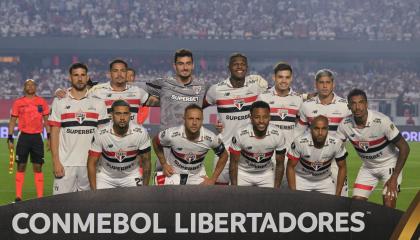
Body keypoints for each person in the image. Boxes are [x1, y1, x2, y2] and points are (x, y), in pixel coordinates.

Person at [337, 89, 410, 208]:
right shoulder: (345, 124)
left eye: (361, 102)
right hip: (368, 168)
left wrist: (394, 177)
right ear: (349, 106)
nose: (357, 107)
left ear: (366, 104)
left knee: (388, 202)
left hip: (389, 166)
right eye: (353, 103)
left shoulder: (382, 121)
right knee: (356, 205)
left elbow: (405, 148)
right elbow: (335, 147)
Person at [204, 53, 268, 184]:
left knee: (244, 194)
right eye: (236, 64)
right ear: (229, 67)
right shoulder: (216, 90)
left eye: (243, 64)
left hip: (248, 151)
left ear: (247, 67)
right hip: (225, 150)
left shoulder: (256, 87)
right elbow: (198, 107)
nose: (239, 67)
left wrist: (307, 96)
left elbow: (278, 96)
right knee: (218, 190)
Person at [49, 63, 108, 195]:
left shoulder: (98, 102)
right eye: (76, 75)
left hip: (91, 165)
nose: (80, 78)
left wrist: (103, 162)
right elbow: (54, 133)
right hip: (65, 164)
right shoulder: (60, 101)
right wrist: (56, 161)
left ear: (87, 78)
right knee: (60, 206)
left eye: (82, 75)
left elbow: (103, 135)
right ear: (70, 78)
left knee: (89, 207)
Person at [294, 69, 351, 196]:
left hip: (336, 161)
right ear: (316, 84)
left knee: (341, 200)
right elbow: (297, 133)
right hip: (310, 160)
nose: (325, 86)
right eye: (321, 82)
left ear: (333, 84)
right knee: (304, 201)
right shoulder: (307, 106)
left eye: (328, 82)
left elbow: (354, 131)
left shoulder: (345, 106)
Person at [152, 104, 228, 185]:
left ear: (202, 120)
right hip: (173, 174)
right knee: (164, 196)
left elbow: (224, 155)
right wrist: (164, 164)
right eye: (191, 118)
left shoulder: (210, 138)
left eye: (198, 119)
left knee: (206, 196)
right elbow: (155, 141)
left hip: (197, 176)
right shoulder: (172, 134)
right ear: (184, 119)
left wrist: (213, 179)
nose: (194, 122)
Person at [87, 100, 151, 189]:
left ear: (130, 115)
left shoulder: (141, 132)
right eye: (118, 113)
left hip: (131, 177)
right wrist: (93, 192)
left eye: (125, 113)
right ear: (111, 116)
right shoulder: (100, 133)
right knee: (98, 202)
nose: (122, 117)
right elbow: (91, 163)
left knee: (138, 201)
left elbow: (146, 161)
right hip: (105, 177)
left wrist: (145, 189)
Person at [257, 62, 303, 186]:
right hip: (267, 155)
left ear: (291, 78)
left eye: (287, 77)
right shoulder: (263, 97)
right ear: (274, 77)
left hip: (290, 156)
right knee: (266, 196)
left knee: (289, 197)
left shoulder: (298, 99)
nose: (284, 81)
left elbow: (303, 125)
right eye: (280, 77)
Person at [8, 79, 50, 202]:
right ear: (24, 87)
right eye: (28, 85)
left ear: (36, 87)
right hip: (23, 137)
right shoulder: (18, 102)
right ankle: (18, 196)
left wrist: (49, 136)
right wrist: (10, 138)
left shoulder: (41, 102)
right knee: (21, 165)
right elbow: (12, 121)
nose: (30, 87)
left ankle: (40, 197)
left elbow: (46, 121)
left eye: (32, 85)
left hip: (37, 137)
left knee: (38, 166)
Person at [229, 101, 286, 188]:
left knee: (272, 200)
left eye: (265, 117)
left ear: (269, 117)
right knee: (237, 200)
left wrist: (276, 188)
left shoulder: (278, 134)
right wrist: (234, 188)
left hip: (266, 174)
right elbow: (233, 163)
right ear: (251, 118)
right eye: (257, 117)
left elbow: (280, 164)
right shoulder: (240, 133)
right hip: (243, 173)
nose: (261, 121)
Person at [287, 115, 347, 196]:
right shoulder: (299, 142)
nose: (320, 133)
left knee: (334, 205)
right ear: (311, 129)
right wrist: (293, 192)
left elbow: (342, 167)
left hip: (325, 180)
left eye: (324, 129)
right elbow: (290, 167)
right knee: (296, 206)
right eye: (316, 129)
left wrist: (338, 193)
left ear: (328, 129)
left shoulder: (337, 143)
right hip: (302, 179)